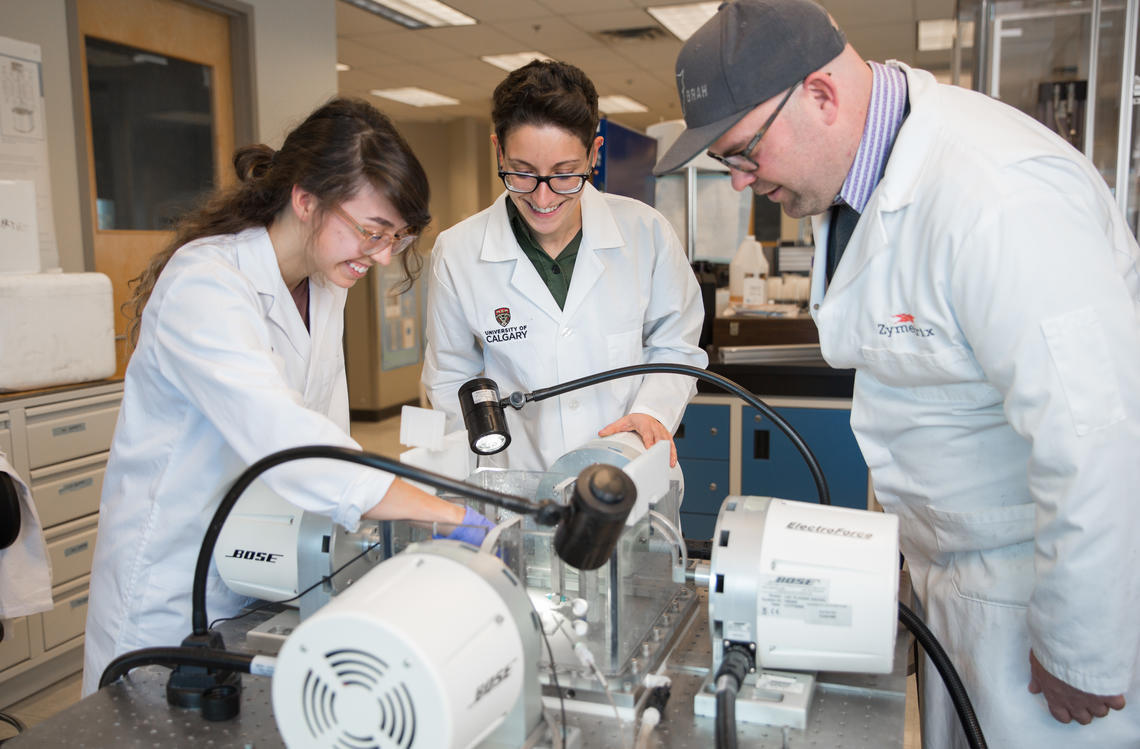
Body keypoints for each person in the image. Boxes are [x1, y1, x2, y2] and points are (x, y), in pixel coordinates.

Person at [654, 1, 1140, 748]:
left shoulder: (996, 197)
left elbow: (1099, 431)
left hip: (1044, 600)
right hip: (962, 581)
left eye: (745, 153)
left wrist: (1088, 645)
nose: (743, 184)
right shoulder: (863, 182)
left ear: (820, 94)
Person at [82, 98, 491, 696]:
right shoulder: (207, 284)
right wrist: (442, 513)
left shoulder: (324, 285)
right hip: (172, 578)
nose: (380, 257)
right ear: (306, 199)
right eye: (372, 232)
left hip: (261, 562)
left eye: (395, 237)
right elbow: (286, 437)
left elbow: (326, 430)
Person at [423, 60, 707, 472]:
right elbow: (451, 380)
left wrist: (653, 413)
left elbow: (677, 347)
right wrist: (486, 475)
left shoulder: (646, 232)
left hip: (629, 470)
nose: (542, 199)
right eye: (522, 173)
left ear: (594, 154)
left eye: (564, 174)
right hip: (517, 479)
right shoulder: (457, 251)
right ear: (498, 151)